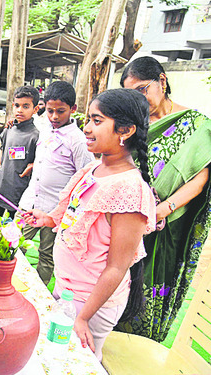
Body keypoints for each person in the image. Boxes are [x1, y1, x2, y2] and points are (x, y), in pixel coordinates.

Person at [24, 88, 157, 360]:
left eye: (97, 121)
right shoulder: (93, 169)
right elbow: (77, 214)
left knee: (78, 366)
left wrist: (83, 317)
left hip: (92, 304)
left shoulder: (130, 190)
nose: (86, 129)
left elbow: (117, 266)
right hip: (68, 291)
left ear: (126, 130)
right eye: (88, 120)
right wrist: (49, 218)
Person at [117, 56, 211, 341]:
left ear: (162, 81)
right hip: (127, 220)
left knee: (151, 284)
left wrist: (164, 209)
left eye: (143, 90)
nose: (140, 100)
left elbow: (202, 175)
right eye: (131, 94)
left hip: (165, 227)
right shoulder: (132, 125)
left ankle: (141, 345)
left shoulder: (196, 125)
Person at [19, 81, 94, 286]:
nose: (54, 117)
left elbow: (84, 178)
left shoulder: (79, 141)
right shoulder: (44, 129)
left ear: (73, 109)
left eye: (60, 111)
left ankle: (39, 293)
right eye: (50, 111)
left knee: (46, 255)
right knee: (14, 244)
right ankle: (12, 286)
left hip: (54, 211)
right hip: (30, 202)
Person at [0, 85, 40, 218]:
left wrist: (34, 166)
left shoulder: (36, 136)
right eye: (17, 106)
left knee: (11, 233)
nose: (20, 110)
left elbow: (39, 164)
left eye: (26, 106)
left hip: (17, 194)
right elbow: (5, 153)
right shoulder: (9, 129)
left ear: (36, 109)